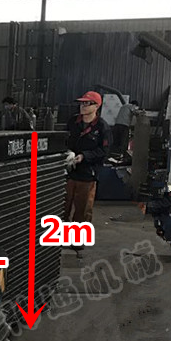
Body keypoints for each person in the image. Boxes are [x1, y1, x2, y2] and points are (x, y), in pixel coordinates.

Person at [65, 90, 109, 255]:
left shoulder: (102, 128)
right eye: (82, 103)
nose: (83, 106)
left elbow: (104, 151)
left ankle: (77, 241)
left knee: (82, 210)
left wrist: (84, 156)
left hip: (87, 175)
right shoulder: (73, 122)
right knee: (63, 206)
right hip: (69, 173)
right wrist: (68, 153)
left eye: (87, 103)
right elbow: (64, 140)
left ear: (97, 106)